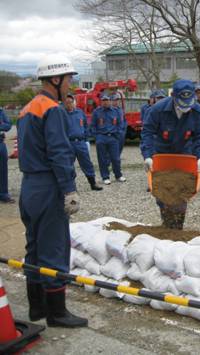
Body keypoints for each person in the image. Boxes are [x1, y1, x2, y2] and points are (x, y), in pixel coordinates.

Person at [17, 54, 87, 327]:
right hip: (48, 186)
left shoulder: (27, 109)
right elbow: (59, 152)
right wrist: (69, 190)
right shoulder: (53, 109)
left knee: (34, 246)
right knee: (55, 248)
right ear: (56, 80)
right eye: (69, 79)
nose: (70, 85)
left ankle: (38, 308)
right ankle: (57, 313)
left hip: (29, 186)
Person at [141, 79, 200, 229]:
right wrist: (148, 156)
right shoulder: (157, 110)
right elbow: (147, 133)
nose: (186, 108)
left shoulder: (196, 111)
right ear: (174, 98)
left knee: (182, 191)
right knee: (162, 192)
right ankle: (166, 222)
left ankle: (178, 226)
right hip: (162, 153)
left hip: (184, 154)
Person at [64, 94, 102, 191]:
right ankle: (71, 186)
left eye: (71, 102)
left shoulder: (80, 113)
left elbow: (85, 126)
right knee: (68, 165)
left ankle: (93, 183)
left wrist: (86, 140)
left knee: (87, 163)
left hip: (81, 143)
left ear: (74, 102)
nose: (69, 104)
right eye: (67, 103)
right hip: (68, 144)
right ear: (64, 104)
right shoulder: (62, 114)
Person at [90, 94, 126, 185]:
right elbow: (93, 125)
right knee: (102, 159)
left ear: (110, 101)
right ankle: (105, 177)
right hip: (101, 137)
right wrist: (97, 137)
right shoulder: (97, 112)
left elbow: (120, 124)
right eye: (103, 100)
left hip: (113, 137)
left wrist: (117, 134)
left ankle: (118, 175)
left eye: (107, 100)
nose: (105, 102)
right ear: (101, 101)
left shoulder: (116, 111)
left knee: (116, 158)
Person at [0, 107, 14, 203]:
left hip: (0, 143)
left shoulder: (1, 111)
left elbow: (8, 125)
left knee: (3, 170)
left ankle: (3, 194)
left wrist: (1, 126)